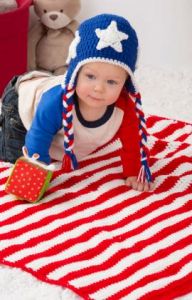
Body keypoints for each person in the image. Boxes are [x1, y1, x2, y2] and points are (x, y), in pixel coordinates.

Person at [0, 13, 153, 191]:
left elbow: (134, 141)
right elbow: (38, 133)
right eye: (90, 76)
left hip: (48, 92)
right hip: (21, 102)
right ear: (75, 72)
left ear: (125, 84)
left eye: (111, 82)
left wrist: (135, 171)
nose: (98, 88)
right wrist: (35, 173)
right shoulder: (56, 101)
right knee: (13, 156)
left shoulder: (125, 108)